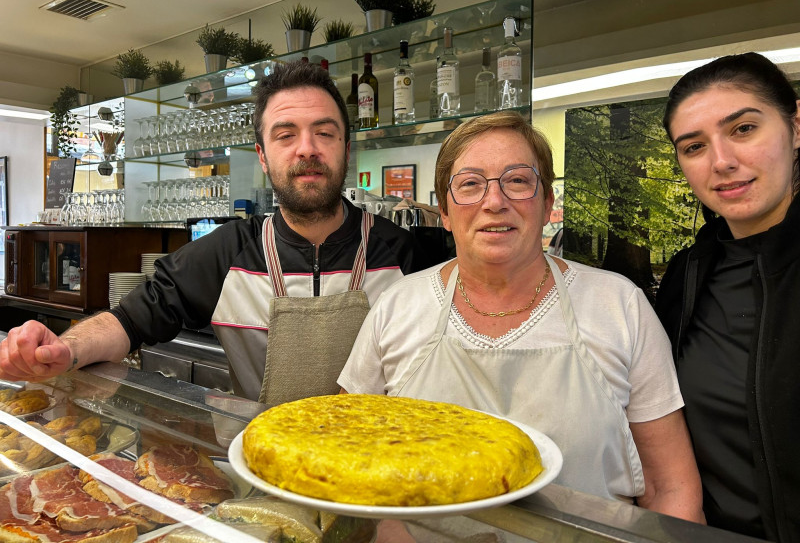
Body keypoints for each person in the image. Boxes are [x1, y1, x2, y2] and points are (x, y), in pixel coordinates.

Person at [339, 110, 704, 521]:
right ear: (444, 212)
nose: (494, 202)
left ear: (547, 202)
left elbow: (669, 486)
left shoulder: (620, 306)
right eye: (471, 184)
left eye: (517, 181)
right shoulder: (396, 306)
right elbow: (349, 453)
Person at [0, 61, 420, 403]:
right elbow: (129, 321)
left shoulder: (407, 254)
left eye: (324, 133)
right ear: (262, 156)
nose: (306, 148)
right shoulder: (227, 252)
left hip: (378, 471)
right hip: (261, 472)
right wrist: (64, 350)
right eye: (285, 134)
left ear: (347, 149)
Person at [656, 52, 800, 542]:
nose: (722, 162)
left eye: (743, 129)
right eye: (694, 146)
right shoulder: (688, 273)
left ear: (796, 127)